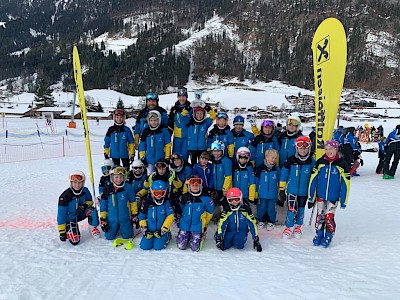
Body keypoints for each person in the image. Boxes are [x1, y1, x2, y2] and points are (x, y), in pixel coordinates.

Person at [308, 139, 350, 248]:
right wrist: (311, 196)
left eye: (331, 149)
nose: (328, 151)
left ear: (336, 149)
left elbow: (346, 183)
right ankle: (319, 235)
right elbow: (313, 180)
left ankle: (329, 235)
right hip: (320, 195)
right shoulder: (320, 162)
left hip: (333, 197)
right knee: (320, 216)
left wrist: (343, 199)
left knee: (328, 217)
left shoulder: (342, 164)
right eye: (326, 149)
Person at [279, 136, 315, 239]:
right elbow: (284, 175)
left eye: (305, 147)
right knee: (291, 209)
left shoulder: (311, 162)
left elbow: (314, 179)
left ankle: (298, 226)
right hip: (292, 190)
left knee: (301, 209)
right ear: (296, 148)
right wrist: (282, 189)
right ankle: (289, 227)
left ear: (309, 148)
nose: (303, 150)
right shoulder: (291, 160)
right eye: (300, 148)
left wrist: (313, 195)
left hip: (304, 191)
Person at [57, 171, 100, 245]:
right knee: (75, 240)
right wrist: (62, 231)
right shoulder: (64, 196)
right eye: (75, 182)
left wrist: (84, 206)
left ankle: (93, 227)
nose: (77, 185)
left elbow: (90, 201)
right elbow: (61, 215)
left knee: (92, 210)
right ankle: (69, 228)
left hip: (81, 213)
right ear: (71, 183)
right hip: (71, 218)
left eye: (80, 182)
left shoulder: (85, 190)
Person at [215, 187, 262, 252]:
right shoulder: (227, 211)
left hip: (241, 231)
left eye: (236, 199)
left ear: (240, 199)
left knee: (239, 245)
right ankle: (219, 236)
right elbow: (222, 223)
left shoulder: (245, 211)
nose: (234, 202)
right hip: (230, 231)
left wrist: (256, 238)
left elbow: (252, 224)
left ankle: (238, 239)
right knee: (225, 246)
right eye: (231, 200)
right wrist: (219, 236)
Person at [99, 167, 138, 244]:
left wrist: (134, 215)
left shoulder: (128, 187)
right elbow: (103, 204)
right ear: (112, 177)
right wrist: (103, 219)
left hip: (125, 218)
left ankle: (123, 227)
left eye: (121, 177)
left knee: (128, 236)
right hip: (112, 219)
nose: (119, 179)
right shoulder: (107, 189)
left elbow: (133, 202)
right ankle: (116, 227)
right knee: (109, 237)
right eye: (116, 177)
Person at [177, 175, 215, 251]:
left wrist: (204, 222)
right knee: (181, 246)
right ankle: (185, 234)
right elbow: (181, 208)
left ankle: (201, 235)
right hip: (185, 224)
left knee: (195, 248)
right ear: (189, 186)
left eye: (197, 185)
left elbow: (210, 212)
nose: (195, 187)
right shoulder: (184, 197)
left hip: (197, 225)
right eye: (193, 185)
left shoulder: (206, 199)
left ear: (200, 186)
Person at [138, 180, 175, 250]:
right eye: (156, 193)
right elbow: (141, 216)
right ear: (152, 192)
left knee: (158, 247)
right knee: (144, 247)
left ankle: (167, 235)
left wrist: (164, 229)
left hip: (161, 230)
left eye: (161, 193)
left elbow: (170, 216)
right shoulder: (147, 203)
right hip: (150, 230)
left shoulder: (166, 203)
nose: (159, 196)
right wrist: (144, 229)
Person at [254, 149, 280, 230]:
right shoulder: (260, 169)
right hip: (262, 194)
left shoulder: (277, 170)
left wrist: (279, 194)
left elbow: (280, 182)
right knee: (262, 208)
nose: (274, 160)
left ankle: (271, 221)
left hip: (273, 194)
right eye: (272, 158)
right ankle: (261, 220)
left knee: (271, 209)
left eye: (275, 158)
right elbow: (256, 182)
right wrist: (255, 193)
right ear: (266, 157)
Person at [210, 140, 232, 220]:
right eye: (215, 151)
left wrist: (225, 189)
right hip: (215, 187)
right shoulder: (212, 161)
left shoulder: (226, 161)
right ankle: (217, 216)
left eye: (219, 151)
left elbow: (228, 176)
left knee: (224, 203)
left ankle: (225, 218)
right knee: (216, 202)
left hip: (223, 188)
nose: (216, 153)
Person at [168, 86, 191, 161]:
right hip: (177, 138)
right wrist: (168, 136)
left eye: (183, 96)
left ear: (186, 97)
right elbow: (170, 124)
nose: (182, 99)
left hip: (187, 138)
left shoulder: (191, 108)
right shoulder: (174, 109)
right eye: (180, 96)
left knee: (184, 158)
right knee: (175, 157)